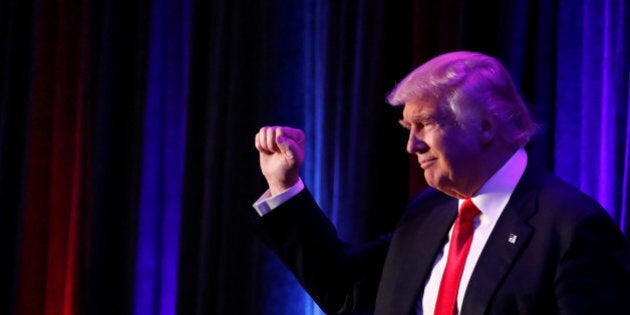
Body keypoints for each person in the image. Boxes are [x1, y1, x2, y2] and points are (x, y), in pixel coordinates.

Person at [251, 51, 630, 314]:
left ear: (485, 126)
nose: (411, 145)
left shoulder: (571, 227)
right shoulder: (427, 211)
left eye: (426, 124)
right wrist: (284, 187)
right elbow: (345, 290)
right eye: (407, 127)